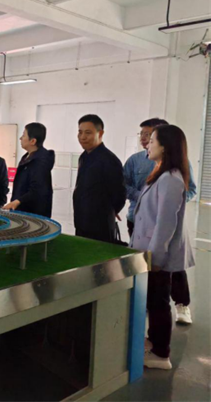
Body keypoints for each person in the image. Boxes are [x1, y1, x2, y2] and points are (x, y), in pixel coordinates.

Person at [130, 124, 195, 370]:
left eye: (152, 140)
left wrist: (155, 259)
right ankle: (154, 342)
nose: (147, 144)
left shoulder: (170, 179)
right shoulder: (161, 173)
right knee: (153, 301)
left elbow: (165, 224)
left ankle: (160, 354)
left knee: (158, 303)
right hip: (148, 250)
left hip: (157, 255)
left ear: (165, 147)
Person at [73, 115, 126, 243]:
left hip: (100, 225)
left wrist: (110, 210)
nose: (82, 137)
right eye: (80, 132)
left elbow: (119, 195)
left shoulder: (109, 160)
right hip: (81, 221)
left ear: (100, 133)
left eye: (88, 133)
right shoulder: (84, 157)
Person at [3, 122, 55, 217]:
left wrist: (18, 201)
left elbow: (37, 189)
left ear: (32, 141)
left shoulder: (41, 161)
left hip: (33, 212)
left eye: (23, 135)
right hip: (22, 209)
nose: (20, 138)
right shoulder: (27, 157)